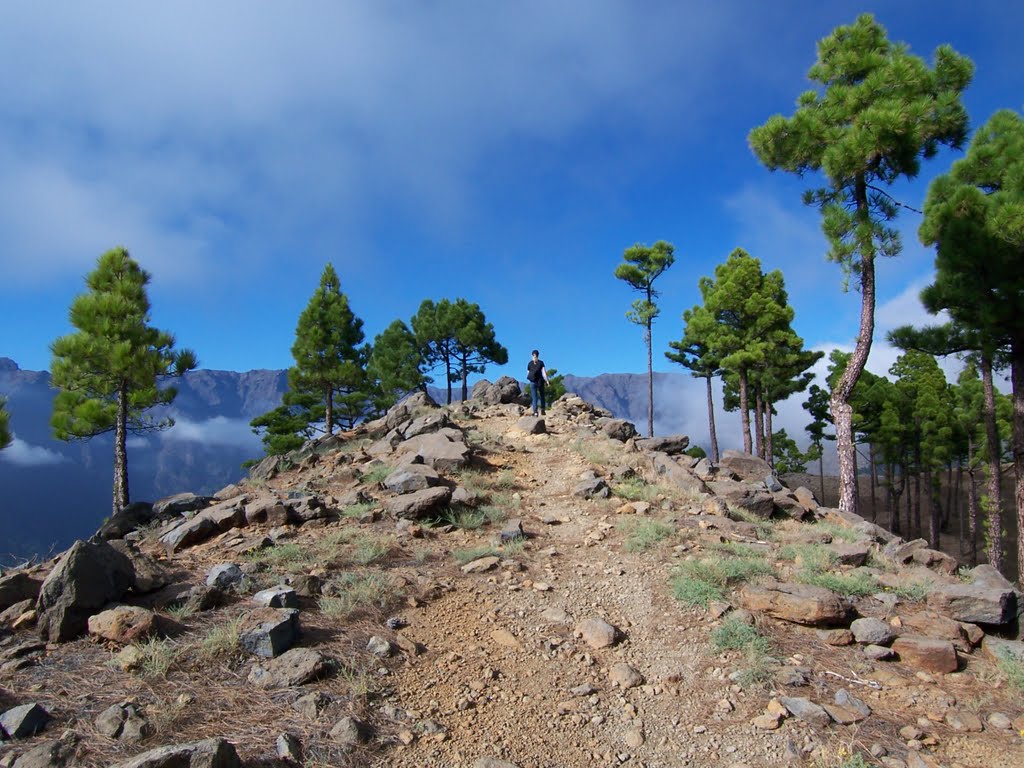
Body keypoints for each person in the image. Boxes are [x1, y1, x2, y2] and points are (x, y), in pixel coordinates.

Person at [526, 349, 550, 416]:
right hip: (540, 381)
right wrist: (547, 381)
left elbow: (528, 373)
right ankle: (542, 409)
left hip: (532, 382)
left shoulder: (529, 363)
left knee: (534, 397)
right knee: (542, 396)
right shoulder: (541, 363)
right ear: (538, 355)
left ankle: (535, 412)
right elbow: (544, 373)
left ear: (532, 355)